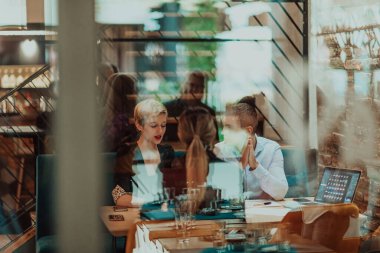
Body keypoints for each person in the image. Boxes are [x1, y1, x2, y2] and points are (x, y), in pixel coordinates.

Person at [214, 96, 288, 200]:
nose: (223, 132)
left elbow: (280, 193)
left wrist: (256, 167)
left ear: (248, 131)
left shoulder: (271, 149)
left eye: (229, 127)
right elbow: (218, 195)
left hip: (262, 214)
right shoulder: (220, 150)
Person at [112, 99, 174, 207]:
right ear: (139, 125)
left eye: (163, 125)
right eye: (153, 125)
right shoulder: (127, 154)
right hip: (138, 216)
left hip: (165, 215)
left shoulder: (167, 152)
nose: (160, 131)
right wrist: (150, 202)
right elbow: (119, 197)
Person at [164, 71, 217, 142]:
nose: (195, 89)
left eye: (200, 86)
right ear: (183, 85)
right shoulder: (168, 108)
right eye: (192, 85)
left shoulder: (209, 112)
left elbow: (215, 142)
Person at [102, 73, 138, 151]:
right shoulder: (123, 120)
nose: (136, 93)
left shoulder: (108, 116)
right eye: (134, 89)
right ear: (128, 92)